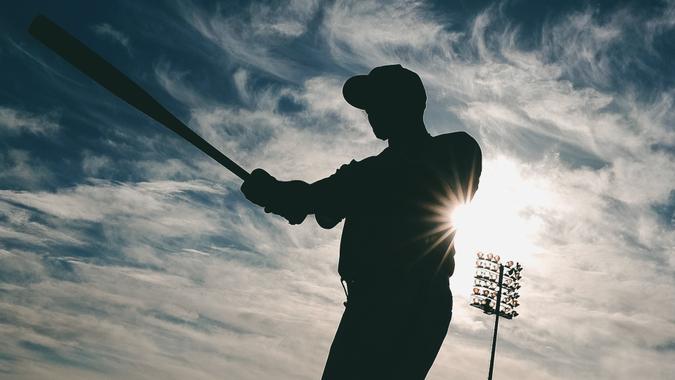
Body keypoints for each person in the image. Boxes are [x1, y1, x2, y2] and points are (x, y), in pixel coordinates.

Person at [241, 64, 482, 380]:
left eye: (378, 102)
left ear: (407, 103)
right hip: (371, 300)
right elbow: (317, 199)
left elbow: (339, 192)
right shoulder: (367, 173)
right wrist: (283, 195)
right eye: (369, 106)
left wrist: (296, 195)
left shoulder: (454, 149)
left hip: (407, 297)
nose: (371, 113)